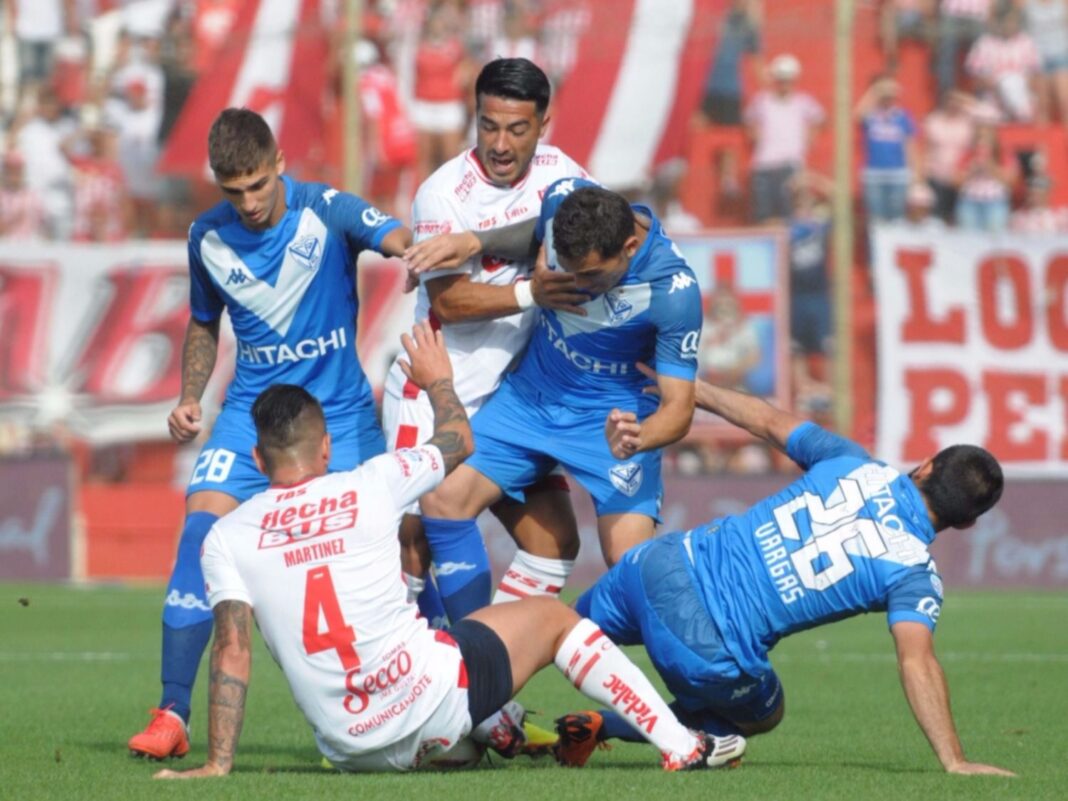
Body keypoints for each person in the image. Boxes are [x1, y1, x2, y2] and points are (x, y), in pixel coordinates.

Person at [153, 325, 746, 777]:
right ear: (327, 448)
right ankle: (682, 745)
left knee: (452, 701)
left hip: (348, 748)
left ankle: (474, 736)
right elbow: (458, 441)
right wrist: (438, 379)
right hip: (428, 699)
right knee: (555, 620)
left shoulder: (227, 536)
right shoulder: (371, 482)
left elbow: (232, 650)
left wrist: (218, 764)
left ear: (258, 459)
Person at [554, 371, 1015, 777]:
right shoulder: (914, 573)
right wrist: (954, 759)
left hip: (659, 562)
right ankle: (611, 727)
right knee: (763, 713)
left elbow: (766, 420)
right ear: (966, 523)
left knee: (558, 631)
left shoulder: (853, 460)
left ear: (927, 467)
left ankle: (505, 706)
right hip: (705, 642)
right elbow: (917, 662)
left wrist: (691, 389)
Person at [127, 107, 412, 760]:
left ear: (279, 162)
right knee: (200, 532)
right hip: (250, 416)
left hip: (337, 415)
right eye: (235, 191)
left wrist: (413, 251)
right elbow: (204, 322)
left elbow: (394, 234)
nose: (250, 202)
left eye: (258, 184)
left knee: (401, 549)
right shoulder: (207, 237)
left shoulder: (326, 209)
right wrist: (190, 396)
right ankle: (172, 713)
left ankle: (445, 700)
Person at [405, 179, 703, 584]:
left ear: (630, 248)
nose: (577, 285)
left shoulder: (674, 291)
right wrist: (475, 241)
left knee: (629, 565)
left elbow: (679, 408)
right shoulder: (563, 199)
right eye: (568, 268)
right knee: (441, 498)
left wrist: (638, 437)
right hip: (529, 400)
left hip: (610, 420)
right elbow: (530, 234)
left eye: (592, 275)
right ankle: (473, 627)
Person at [383, 57, 589, 625]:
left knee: (554, 543)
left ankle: (489, 657)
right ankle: (412, 664)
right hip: (434, 391)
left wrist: (477, 241)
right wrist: (533, 292)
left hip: (511, 400)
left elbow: (601, 225)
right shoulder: (442, 192)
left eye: (517, 129)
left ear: (543, 124)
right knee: (414, 544)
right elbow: (450, 303)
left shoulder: (561, 173)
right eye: (488, 126)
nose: (500, 144)